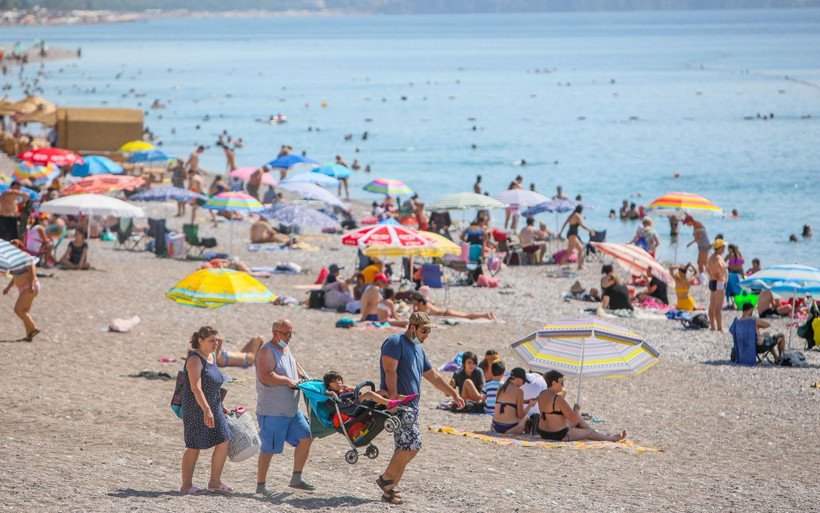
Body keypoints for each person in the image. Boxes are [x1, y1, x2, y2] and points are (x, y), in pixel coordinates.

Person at [376, 312, 464, 505]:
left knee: (404, 447)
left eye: (429, 331)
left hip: (412, 407)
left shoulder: (417, 349)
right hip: (399, 404)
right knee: (413, 445)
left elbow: (433, 376)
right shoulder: (395, 342)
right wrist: (392, 400)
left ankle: (390, 491)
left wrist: (453, 394)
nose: (426, 335)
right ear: (412, 327)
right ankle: (385, 479)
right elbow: (390, 371)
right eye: (424, 331)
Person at [256, 319, 314, 498]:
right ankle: (261, 486)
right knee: (269, 449)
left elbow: (292, 369)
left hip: (291, 410)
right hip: (273, 410)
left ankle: (296, 478)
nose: (289, 337)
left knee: (307, 436)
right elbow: (266, 376)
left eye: (291, 333)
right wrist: (287, 381)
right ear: (275, 333)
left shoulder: (285, 348)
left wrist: (302, 378)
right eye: (286, 334)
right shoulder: (266, 350)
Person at [180, 326, 233, 495]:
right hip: (197, 407)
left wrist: (221, 406)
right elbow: (196, 388)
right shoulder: (195, 359)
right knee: (195, 446)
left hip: (214, 406)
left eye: (216, 340)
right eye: (211, 341)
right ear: (201, 341)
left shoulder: (211, 357)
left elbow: (214, 385)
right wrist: (206, 410)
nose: (216, 343)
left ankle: (215, 482)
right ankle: (186, 485)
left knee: (224, 440)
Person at [535, 371, 626, 442]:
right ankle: (611, 438)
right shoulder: (558, 399)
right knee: (588, 432)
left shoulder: (541, 394)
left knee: (582, 424)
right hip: (558, 435)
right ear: (554, 383)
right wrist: (576, 410)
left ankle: (604, 435)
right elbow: (574, 419)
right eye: (561, 382)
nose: (563, 385)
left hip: (543, 432)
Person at [3, 240, 40, 341]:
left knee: (18, 309)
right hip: (22, 287)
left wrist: (31, 285)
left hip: (30, 286)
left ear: (21, 247)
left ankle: (34, 327)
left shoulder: (25, 256)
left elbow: (33, 271)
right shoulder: (12, 259)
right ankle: (29, 335)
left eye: (16, 247)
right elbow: (15, 276)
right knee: (25, 312)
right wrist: (8, 288)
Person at [323, 371, 415, 410]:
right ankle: (389, 403)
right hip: (351, 406)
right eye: (334, 382)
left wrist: (350, 387)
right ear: (329, 386)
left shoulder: (345, 389)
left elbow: (358, 392)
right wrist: (332, 392)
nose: (338, 383)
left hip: (357, 399)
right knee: (369, 393)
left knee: (383, 391)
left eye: (339, 380)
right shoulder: (332, 392)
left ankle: (404, 399)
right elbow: (334, 399)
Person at [490, 368, 536, 435]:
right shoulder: (519, 391)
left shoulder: (500, 388)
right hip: (510, 429)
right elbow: (520, 415)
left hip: (494, 427)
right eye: (523, 382)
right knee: (526, 417)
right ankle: (528, 435)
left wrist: (525, 401)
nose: (522, 384)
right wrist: (530, 405)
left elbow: (507, 402)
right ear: (518, 380)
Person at [411, 291, 497, 320]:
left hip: (446, 313)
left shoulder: (421, 305)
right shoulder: (424, 303)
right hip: (445, 312)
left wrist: (414, 307)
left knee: (467, 316)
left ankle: (486, 315)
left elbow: (416, 314)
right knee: (466, 315)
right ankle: (486, 314)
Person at [559, 206, 594, 270]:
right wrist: (590, 230)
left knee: (580, 249)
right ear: (580, 210)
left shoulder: (571, 215)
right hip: (572, 235)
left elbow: (565, 223)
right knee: (570, 252)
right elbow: (582, 225)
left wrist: (560, 232)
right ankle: (561, 264)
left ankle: (579, 266)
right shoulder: (577, 215)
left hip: (571, 234)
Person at [706, 239, 729, 331]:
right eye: (723, 246)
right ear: (719, 247)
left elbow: (707, 268)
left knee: (712, 304)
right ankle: (720, 327)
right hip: (719, 281)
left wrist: (712, 274)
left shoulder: (711, 257)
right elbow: (719, 265)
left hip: (712, 280)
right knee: (718, 306)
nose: (725, 248)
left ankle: (713, 326)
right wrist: (722, 275)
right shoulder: (718, 258)